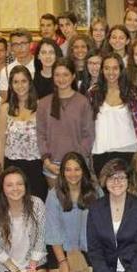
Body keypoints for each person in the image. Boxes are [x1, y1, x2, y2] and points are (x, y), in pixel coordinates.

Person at [46, 152, 99, 272]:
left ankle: (80, 266)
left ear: (84, 171)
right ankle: (69, 266)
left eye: (77, 169)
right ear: (62, 172)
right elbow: (53, 230)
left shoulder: (95, 191)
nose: (73, 174)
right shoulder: (53, 195)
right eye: (68, 169)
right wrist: (62, 261)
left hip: (86, 246)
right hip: (61, 247)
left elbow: (102, 225)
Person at [36, 58, 95, 188]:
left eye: (66, 74)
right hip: (52, 165)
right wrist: (46, 161)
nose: (61, 79)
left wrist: (77, 160)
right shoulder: (44, 103)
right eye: (57, 75)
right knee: (56, 203)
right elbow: (40, 134)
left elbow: (89, 134)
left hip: (77, 165)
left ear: (73, 76)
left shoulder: (82, 102)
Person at [89, 53, 137, 173]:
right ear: (102, 70)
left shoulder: (133, 92)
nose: (111, 72)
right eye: (107, 68)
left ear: (121, 69)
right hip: (101, 150)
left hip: (129, 149)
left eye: (115, 68)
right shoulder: (93, 93)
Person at [0, 65, 45, 200]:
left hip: (36, 166)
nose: (20, 85)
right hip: (12, 165)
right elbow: (0, 141)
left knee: (37, 204)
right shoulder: (4, 109)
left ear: (30, 82)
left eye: (23, 81)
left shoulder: (41, 107)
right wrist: (0, 170)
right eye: (15, 82)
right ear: (11, 85)